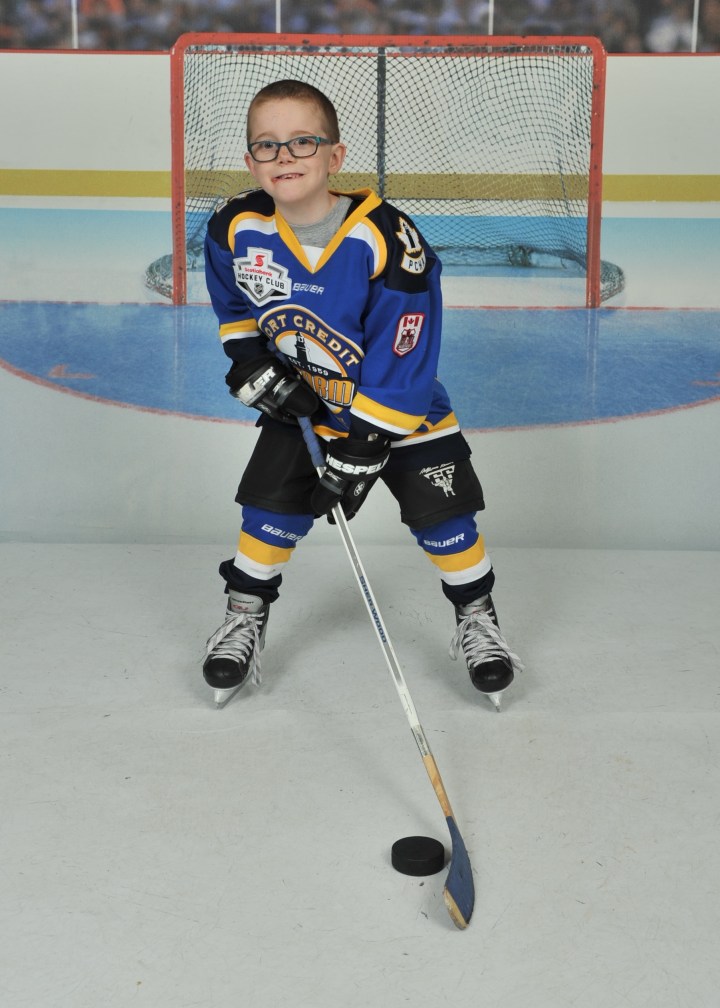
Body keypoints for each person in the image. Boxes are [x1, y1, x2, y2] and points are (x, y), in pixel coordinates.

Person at [202, 79, 523, 710]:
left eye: (302, 141)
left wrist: (367, 441)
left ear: (334, 156)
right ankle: (245, 615)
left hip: (400, 416)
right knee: (268, 513)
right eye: (266, 145)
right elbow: (236, 306)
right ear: (249, 161)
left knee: (445, 520)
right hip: (306, 409)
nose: (284, 156)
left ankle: (477, 620)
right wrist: (248, 362)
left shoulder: (387, 240)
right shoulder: (233, 226)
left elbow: (408, 352)